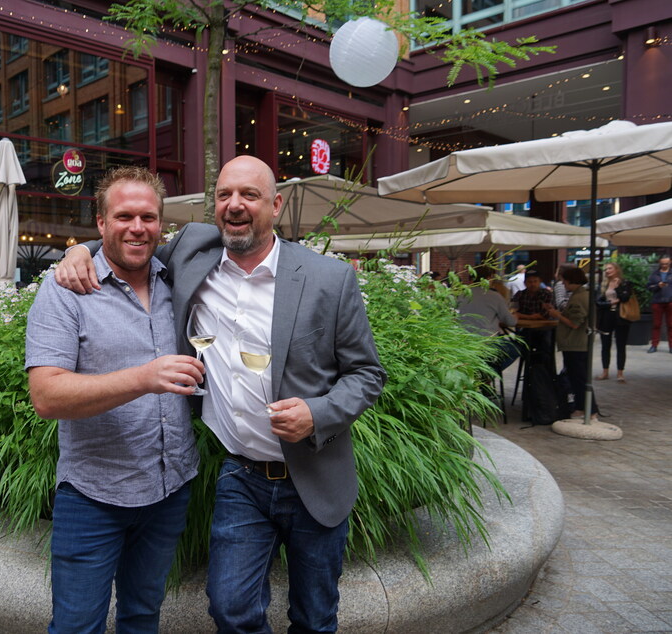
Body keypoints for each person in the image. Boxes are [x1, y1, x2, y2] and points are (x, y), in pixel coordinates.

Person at [55, 156, 387, 632]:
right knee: (230, 608)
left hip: (316, 474)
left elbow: (367, 373)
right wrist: (79, 250)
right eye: (224, 195)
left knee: (315, 618)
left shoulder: (328, 279)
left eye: (249, 195)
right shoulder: (193, 251)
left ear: (275, 204)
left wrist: (318, 412)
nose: (234, 205)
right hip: (242, 476)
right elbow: (130, 237)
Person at [25, 167, 202, 633]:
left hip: (169, 489)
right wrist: (143, 378)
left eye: (149, 217)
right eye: (123, 216)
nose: (137, 227)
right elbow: (45, 395)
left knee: (143, 617)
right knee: (76, 626)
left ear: (162, 224)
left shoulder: (176, 280)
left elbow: (219, 231)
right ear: (100, 223)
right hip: (93, 497)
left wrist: (78, 248)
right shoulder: (65, 289)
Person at [544, 267, 598, 420]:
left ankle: (589, 410)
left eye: (564, 281)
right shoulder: (582, 295)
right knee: (576, 377)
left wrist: (556, 315)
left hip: (576, 343)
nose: (563, 284)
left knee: (578, 377)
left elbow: (574, 323)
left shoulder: (579, 298)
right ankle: (582, 408)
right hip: (578, 343)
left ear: (569, 280)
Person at [457, 266, 520, 372]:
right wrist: (516, 316)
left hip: (462, 342)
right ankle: (489, 373)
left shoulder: (460, 295)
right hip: (487, 342)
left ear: (470, 279)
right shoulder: (494, 296)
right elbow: (510, 321)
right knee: (515, 349)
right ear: (489, 278)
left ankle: (480, 373)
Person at [596, 261, 634, 382]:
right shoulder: (603, 284)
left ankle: (620, 373)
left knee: (620, 345)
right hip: (606, 316)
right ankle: (605, 371)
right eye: (606, 269)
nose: (607, 271)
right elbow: (597, 302)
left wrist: (617, 288)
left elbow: (625, 298)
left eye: (610, 269)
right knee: (605, 345)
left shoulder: (625, 283)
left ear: (616, 270)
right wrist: (610, 303)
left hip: (620, 317)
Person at [646, 255, 672, 353]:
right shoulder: (655, 274)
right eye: (662, 264)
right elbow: (649, 287)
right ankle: (654, 345)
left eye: (666, 263)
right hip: (657, 301)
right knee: (656, 324)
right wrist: (658, 286)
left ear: (670, 262)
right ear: (659, 263)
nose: (664, 265)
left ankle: (671, 346)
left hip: (670, 301)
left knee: (671, 325)